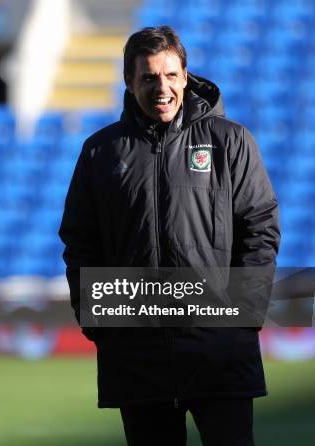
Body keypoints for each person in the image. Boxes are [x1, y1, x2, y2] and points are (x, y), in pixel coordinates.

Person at [59, 26, 280, 446]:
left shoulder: (229, 141)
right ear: (129, 81)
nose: (161, 87)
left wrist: (241, 316)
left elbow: (260, 228)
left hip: (219, 350)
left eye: (170, 75)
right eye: (148, 77)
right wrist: (100, 320)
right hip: (135, 353)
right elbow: (80, 241)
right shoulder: (99, 152)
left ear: (185, 76)